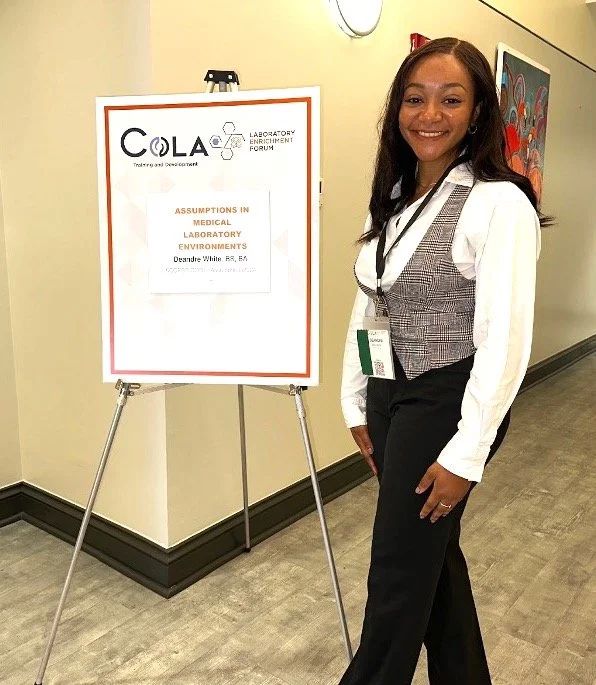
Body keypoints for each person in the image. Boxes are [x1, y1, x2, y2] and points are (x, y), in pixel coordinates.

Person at [339, 37, 547, 685]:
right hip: (389, 393)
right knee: (431, 557)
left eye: (451, 100)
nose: (429, 115)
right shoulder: (397, 193)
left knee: (397, 572)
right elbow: (372, 302)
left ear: (479, 111)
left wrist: (467, 452)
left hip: (448, 399)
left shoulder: (498, 202)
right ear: (396, 109)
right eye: (415, 98)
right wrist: (355, 397)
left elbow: (506, 339)